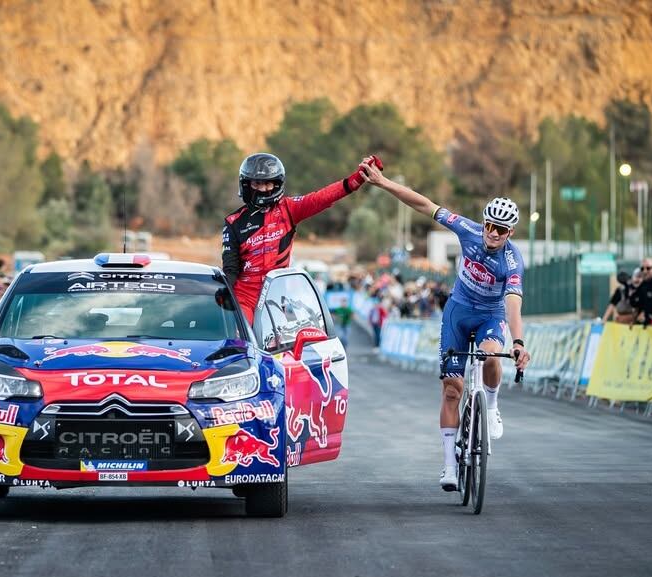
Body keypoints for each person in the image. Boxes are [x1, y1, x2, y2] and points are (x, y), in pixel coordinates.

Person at [361, 161, 530, 491]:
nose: (493, 233)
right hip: (458, 310)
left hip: (490, 316)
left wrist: (519, 341)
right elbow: (424, 204)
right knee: (452, 389)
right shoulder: (466, 230)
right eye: (490, 226)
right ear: (483, 223)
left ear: (510, 234)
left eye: (501, 230)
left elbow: (513, 303)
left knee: (492, 356)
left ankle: (492, 406)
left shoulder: (512, 262)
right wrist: (384, 183)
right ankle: (449, 466)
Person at [221, 152, 374, 324]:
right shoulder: (232, 222)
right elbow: (230, 269)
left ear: (277, 184)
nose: (263, 189)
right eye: (257, 183)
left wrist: (356, 180)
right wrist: (223, 292)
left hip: (276, 298)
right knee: (243, 342)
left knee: (276, 348)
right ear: (246, 184)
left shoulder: (289, 208)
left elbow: (321, 198)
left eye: (268, 183)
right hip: (245, 298)